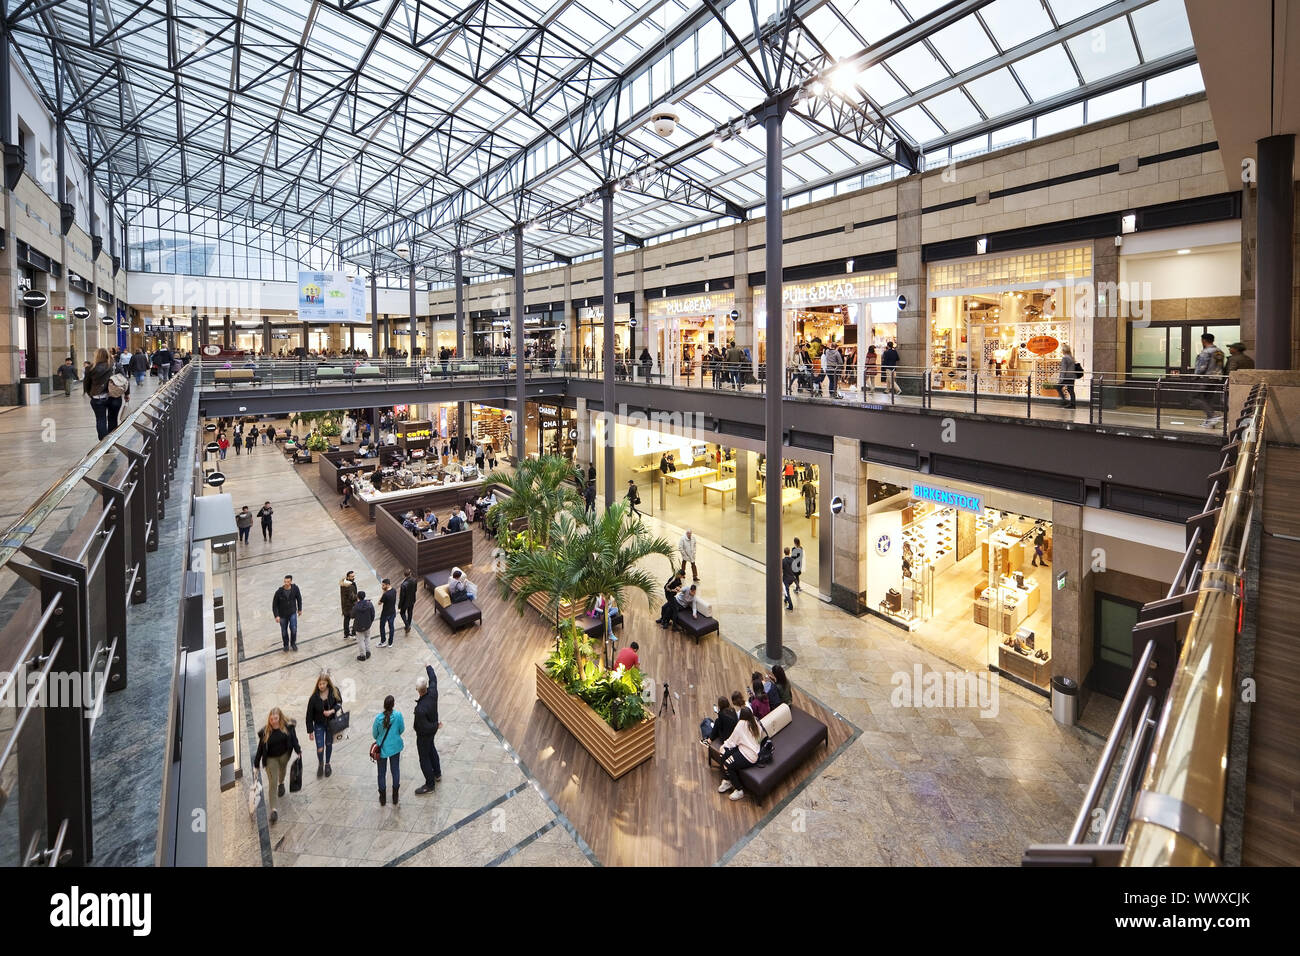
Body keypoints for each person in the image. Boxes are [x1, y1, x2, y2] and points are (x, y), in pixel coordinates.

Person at [252, 706, 302, 824]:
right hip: (270, 759)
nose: (273, 721)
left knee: (283, 771)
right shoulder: (265, 732)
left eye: (275, 718)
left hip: (285, 755)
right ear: (269, 719)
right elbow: (260, 749)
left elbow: (294, 739)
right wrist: (256, 764)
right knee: (272, 782)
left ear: (280, 718)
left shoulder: (288, 727)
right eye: (271, 719)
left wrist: (298, 751)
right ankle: (273, 810)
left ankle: (282, 783)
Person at [717, 706, 762, 802]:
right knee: (724, 754)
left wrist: (723, 746)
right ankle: (727, 780)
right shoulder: (755, 721)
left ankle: (739, 789)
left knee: (727, 764)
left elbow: (732, 742)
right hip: (751, 751)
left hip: (748, 755)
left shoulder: (741, 725)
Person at [304, 671, 343, 779]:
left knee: (329, 744)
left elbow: (339, 703)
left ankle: (327, 764)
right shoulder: (313, 698)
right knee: (320, 748)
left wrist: (331, 711)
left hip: (330, 723)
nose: (321, 686)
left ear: (327, 683)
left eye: (323, 683)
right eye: (320, 684)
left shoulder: (334, 691)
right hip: (319, 725)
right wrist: (310, 731)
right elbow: (309, 715)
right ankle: (321, 763)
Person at [84, 348, 129, 440]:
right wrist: (127, 394)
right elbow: (125, 380)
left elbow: (86, 383)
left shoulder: (90, 368)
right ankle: (110, 442)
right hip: (115, 396)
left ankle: (103, 443)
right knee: (113, 419)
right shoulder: (116, 366)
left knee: (100, 420)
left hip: (98, 397)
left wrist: (90, 394)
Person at [413, 664, 443, 794]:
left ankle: (429, 784)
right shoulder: (433, 692)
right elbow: (434, 679)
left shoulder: (420, 709)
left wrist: (436, 725)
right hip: (432, 731)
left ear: (418, 690)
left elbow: (423, 726)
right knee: (431, 749)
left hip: (424, 735)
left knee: (424, 758)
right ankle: (437, 773)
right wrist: (429, 667)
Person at [372, 694, 405, 807]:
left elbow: (374, 734)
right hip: (395, 748)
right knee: (395, 770)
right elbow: (402, 729)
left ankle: (383, 798)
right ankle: (395, 796)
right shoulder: (398, 715)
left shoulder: (378, 718)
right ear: (393, 705)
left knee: (381, 774)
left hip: (382, 750)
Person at [1191, 332, 1225, 426]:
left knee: (1195, 397)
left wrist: (1195, 377)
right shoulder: (1219, 351)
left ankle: (1212, 416)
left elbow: (1202, 366)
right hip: (1216, 379)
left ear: (1203, 340)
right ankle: (1209, 421)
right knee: (1208, 398)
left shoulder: (1206, 352)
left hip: (1206, 378)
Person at [272, 575, 303, 651]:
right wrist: (276, 616)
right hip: (282, 615)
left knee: (294, 628)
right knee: (284, 631)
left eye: (288, 582)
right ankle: (286, 645)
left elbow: (299, 599)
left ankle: (293, 643)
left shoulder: (295, 589)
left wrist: (299, 609)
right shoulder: (279, 592)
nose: (286, 583)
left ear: (291, 582)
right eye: (285, 581)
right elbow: (274, 605)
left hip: (292, 612)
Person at [1054, 344, 1081, 409]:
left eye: (1062, 350)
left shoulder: (1065, 358)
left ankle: (1064, 402)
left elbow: (1063, 369)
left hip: (1066, 377)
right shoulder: (1071, 357)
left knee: (1058, 387)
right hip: (1072, 376)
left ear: (1064, 351)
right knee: (1071, 390)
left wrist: (1061, 379)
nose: (1061, 351)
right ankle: (1073, 404)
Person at [351, 589, 375, 661]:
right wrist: (370, 622)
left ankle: (362, 655)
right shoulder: (369, 604)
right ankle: (368, 652)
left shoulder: (356, 606)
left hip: (358, 627)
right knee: (367, 638)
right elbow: (373, 614)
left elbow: (352, 615)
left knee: (361, 641)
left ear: (358, 597)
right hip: (367, 625)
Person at [378, 578, 398, 647]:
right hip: (392, 612)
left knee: (382, 627)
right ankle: (390, 643)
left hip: (385, 613)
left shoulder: (385, 594)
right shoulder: (394, 590)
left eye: (383, 585)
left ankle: (383, 642)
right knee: (391, 627)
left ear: (387, 585)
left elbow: (379, 603)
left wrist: (383, 593)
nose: (382, 587)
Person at [398, 569, 418, 633]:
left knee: (402, 613)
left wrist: (399, 605)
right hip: (412, 600)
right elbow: (415, 590)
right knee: (410, 612)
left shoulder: (403, 585)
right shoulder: (415, 580)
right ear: (410, 574)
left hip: (405, 602)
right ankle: (408, 625)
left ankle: (407, 625)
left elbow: (402, 597)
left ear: (404, 575)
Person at [339, 571, 358, 639]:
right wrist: (358, 597)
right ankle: (353, 633)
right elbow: (352, 597)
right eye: (352, 576)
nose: (353, 577)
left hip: (345, 605)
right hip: (350, 606)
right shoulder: (349, 586)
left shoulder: (344, 584)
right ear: (348, 577)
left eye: (354, 576)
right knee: (357, 617)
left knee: (346, 619)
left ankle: (346, 634)